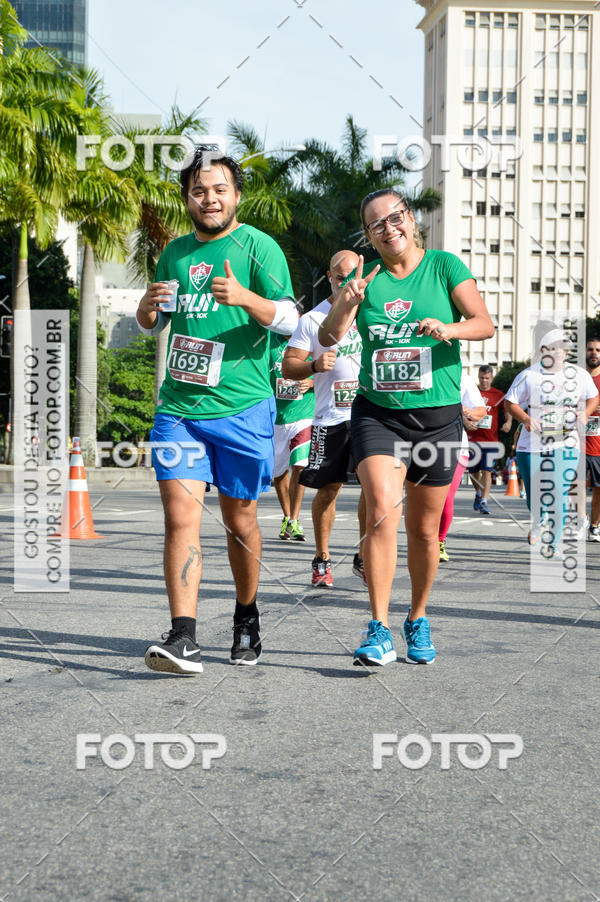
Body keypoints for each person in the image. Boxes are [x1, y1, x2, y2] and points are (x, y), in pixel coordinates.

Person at [136, 147, 298, 674]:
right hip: (179, 409)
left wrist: (247, 298)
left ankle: (246, 614)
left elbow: (291, 319)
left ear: (236, 196)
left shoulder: (259, 247)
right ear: (188, 198)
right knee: (180, 517)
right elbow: (157, 321)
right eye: (199, 191)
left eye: (219, 190)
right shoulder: (174, 253)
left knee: (239, 521)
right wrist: (145, 311)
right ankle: (183, 636)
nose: (209, 199)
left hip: (243, 408)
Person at [319, 188, 494, 665]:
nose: (388, 228)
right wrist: (346, 301)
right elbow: (328, 336)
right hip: (379, 413)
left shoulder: (444, 267)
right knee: (380, 511)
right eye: (377, 224)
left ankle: (417, 617)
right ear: (369, 235)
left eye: (395, 217)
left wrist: (449, 328)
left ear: (410, 219)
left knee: (424, 531)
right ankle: (378, 627)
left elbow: (483, 323)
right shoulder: (365, 278)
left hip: (437, 420)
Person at [283, 250, 367, 587]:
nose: (345, 283)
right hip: (330, 418)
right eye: (339, 277)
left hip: (369, 415)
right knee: (328, 490)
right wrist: (314, 366)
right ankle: (322, 557)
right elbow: (289, 366)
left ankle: (364, 555)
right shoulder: (312, 319)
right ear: (329, 277)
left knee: (374, 488)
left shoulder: (371, 311)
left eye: (351, 276)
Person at [504, 323, 598, 554]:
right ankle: (538, 520)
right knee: (534, 496)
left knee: (558, 492)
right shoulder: (529, 375)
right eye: (551, 348)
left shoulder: (579, 375)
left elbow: (593, 396)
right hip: (531, 445)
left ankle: (554, 544)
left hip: (566, 443)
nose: (557, 352)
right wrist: (526, 419)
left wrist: (585, 413)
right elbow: (510, 402)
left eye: (561, 348)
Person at [269, 333, 314, 541]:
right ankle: (287, 517)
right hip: (276, 417)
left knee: (299, 465)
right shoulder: (269, 340)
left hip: (304, 414)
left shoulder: (310, 339)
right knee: (279, 473)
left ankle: (294, 519)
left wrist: (311, 382)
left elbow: (331, 370)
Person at [439, 373, 486, 561]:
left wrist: (464, 412)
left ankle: (439, 541)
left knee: (446, 497)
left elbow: (480, 411)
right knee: (420, 499)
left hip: (456, 446)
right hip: (420, 445)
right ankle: (422, 539)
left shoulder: (461, 376)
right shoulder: (417, 370)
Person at [467, 365, 512, 515]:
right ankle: (478, 493)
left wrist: (508, 422)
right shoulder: (472, 392)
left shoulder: (497, 394)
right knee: (473, 472)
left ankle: (484, 501)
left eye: (487, 378)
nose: (484, 381)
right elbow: (462, 408)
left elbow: (507, 408)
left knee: (487, 470)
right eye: (481, 378)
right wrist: (467, 422)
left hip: (490, 440)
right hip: (472, 439)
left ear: (491, 377)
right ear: (478, 377)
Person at [584, 337, 600, 541]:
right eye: (590, 349)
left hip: (598, 444)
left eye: (598, 349)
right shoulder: (576, 378)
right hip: (575, 443)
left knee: (599, 488)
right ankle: (582, 519)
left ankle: (594, 526)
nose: (594, 353)